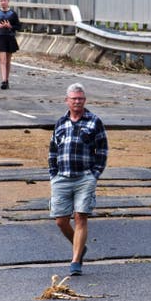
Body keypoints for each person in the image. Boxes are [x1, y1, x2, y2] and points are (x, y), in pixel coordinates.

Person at [48, 83, 108, 276]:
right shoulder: (60, 123)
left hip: (84, 177)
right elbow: (53, 150)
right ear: (67, 100)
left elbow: (103, 149)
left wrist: (95, 173)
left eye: (80, 99)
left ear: (85, 100)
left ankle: (75, 262)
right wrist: (53, 173)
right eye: (74, 98)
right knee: (60, 221)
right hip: (62, 177)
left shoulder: (94, 121)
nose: (77, 102)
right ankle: (80, 247)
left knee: (80, 216)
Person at [0, 0, 21, 90]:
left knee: (8, 60)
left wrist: (10, 26)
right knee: (2, 60)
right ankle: (3, 80)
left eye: (4, 0)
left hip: (10, 38)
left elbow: (18, 26)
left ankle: (6, 79)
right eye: (1, 0)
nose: (3, 2)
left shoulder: (13, 14)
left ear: (8, 1)